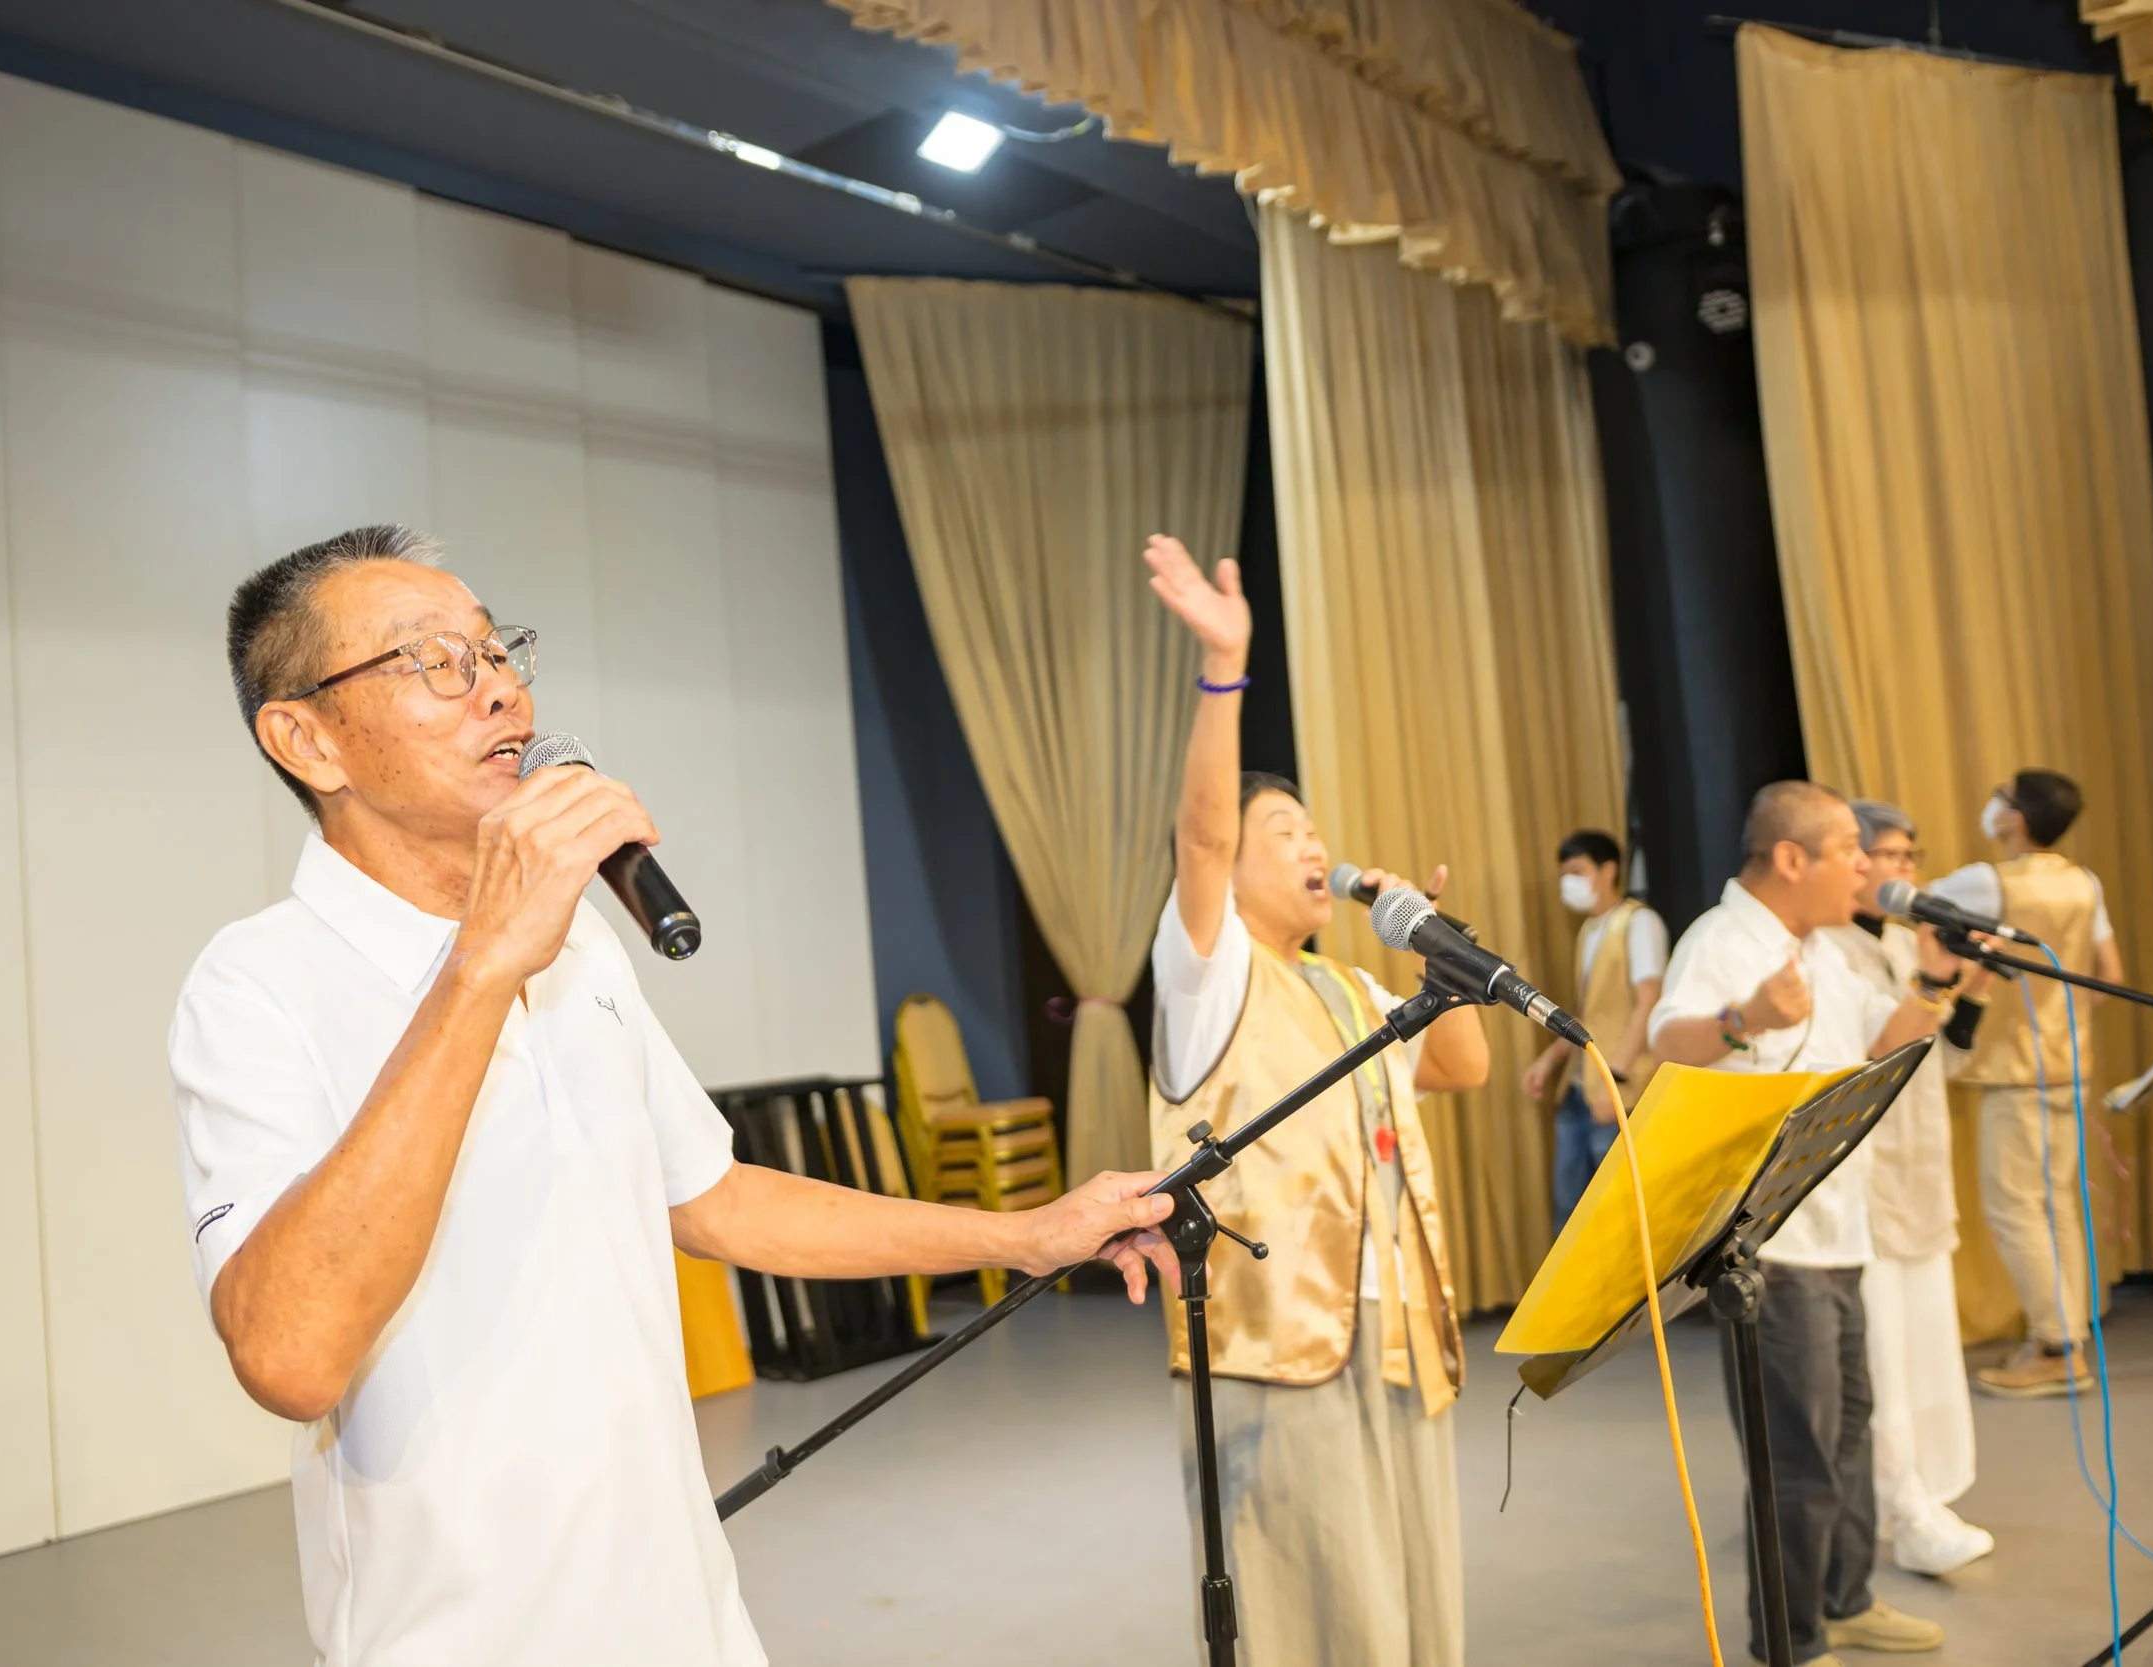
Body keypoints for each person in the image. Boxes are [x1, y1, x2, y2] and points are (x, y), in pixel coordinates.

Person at [172, 526, 1182, 1667]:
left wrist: (1024, 1234)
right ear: (305, 738)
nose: (499, 687)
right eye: (433, 661)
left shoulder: (580, 944)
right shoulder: (256, 984)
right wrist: (480, 967)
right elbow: (289, 1353)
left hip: (684, 1613)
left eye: (497, 650)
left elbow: (715, 1198)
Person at [1141, 533, 1492, 1667]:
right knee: (1323, 1609)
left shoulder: (1347, 986)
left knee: (1412, 1595)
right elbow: (1201, 831)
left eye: (1315, 829)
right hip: (1278, 1336)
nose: (1316, 845)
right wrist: (1223, 668)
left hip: (1393, 1328)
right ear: (1232, 869)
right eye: (1284, 831)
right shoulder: (1209, 974)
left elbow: (1462, 1068)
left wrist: (1438, 949)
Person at [1651, 782, 1956, 1667]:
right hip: (1769, 1249)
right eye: (1850, 850)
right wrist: (1743, 1018)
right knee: (1796, 1452)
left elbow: (1883, 1041)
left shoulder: (1827, 949)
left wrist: (1938, 976)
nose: (1866, 867)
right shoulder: (1721, 939)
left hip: (1839, 1229)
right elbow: (1666, 1042)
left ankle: (1845, 1599)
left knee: (1850, 1424)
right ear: (1792, 858)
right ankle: (1791, 1639)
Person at [1824, 802, 1996, 1576]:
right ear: (1854, 861)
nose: (1904, 870)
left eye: (1910, 855)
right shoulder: (1826, 951)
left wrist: (1972, 989)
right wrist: (1933, 981)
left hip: (1920, 1170)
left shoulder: (1903, 942)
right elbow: (1869, 1050)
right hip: (1861, 1179)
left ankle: (1932, 1492)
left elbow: (1941, 1059)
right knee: (1882, 1357)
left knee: (1928, 1345)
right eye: (1889, 854)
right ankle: (1903, 1508)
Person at [1932, 768, 2122, 1399]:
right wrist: (2061, 1020)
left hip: (2015, 1071)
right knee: (2058, 1204)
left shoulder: (1986, 882)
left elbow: (1905, 908)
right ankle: (2068, 1337)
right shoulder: (2084, 881)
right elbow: (2109, 974)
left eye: (2001, 797)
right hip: (2071, 1065)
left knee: (2015, 1209)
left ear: (2014, 818)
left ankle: (2055, 1347)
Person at [1520, 829, 1668, 1232]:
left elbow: (1648, 1002)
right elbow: (1590, 1013)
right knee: (1570, 1211)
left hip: (1618, 1088)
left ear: (1608, 870)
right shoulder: (1589, 930)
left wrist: (1615, 1078)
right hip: (1579, 1087)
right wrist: (1549, 1061)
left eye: (1577, 871)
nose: (1568, 882)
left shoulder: (1638, 923)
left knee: (1617, 1213)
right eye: (1564, 874)